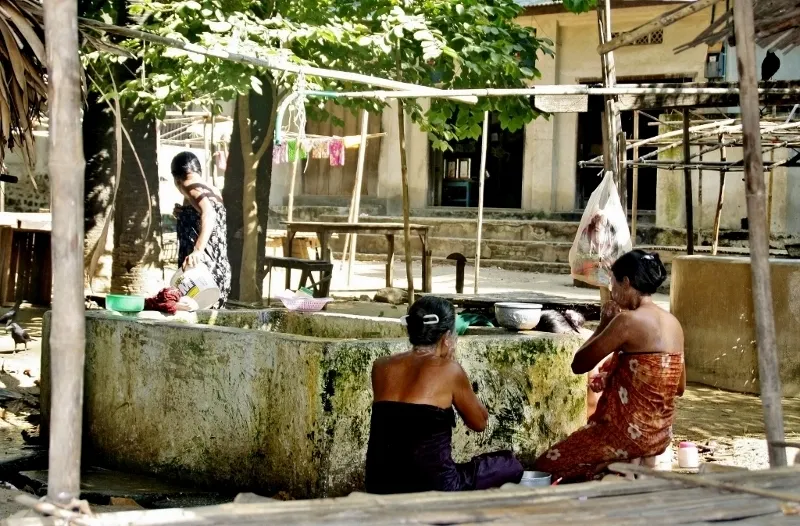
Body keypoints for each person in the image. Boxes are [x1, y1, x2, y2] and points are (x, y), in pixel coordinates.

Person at [533, 250, 685, 482]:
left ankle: (608, 470)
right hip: (660, 435)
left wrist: (603, 324)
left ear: (626, 282)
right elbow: (679, 386)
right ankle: (612, 470)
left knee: (545, 466)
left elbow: (579, 364)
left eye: (612, 282)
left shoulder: (626, 322)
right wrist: (619, 376)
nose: (611, 290)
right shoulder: (674, 323)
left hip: (625, 435)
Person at [366, 296, 523, 494]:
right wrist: (451, 366)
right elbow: (480, 423)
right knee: (510, 465)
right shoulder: (450, 370)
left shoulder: (380, 366)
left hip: (379, 485)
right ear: (447, 337)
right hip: (436, 487)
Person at [171, 152, 231, 309]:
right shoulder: (211, 189)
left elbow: (209, 214)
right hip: (218, 269)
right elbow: (204, 215)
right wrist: (182, 213)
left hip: (201, 273)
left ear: (176, 178)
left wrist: (197, 250)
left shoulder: (187, 186)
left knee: (193, 317)